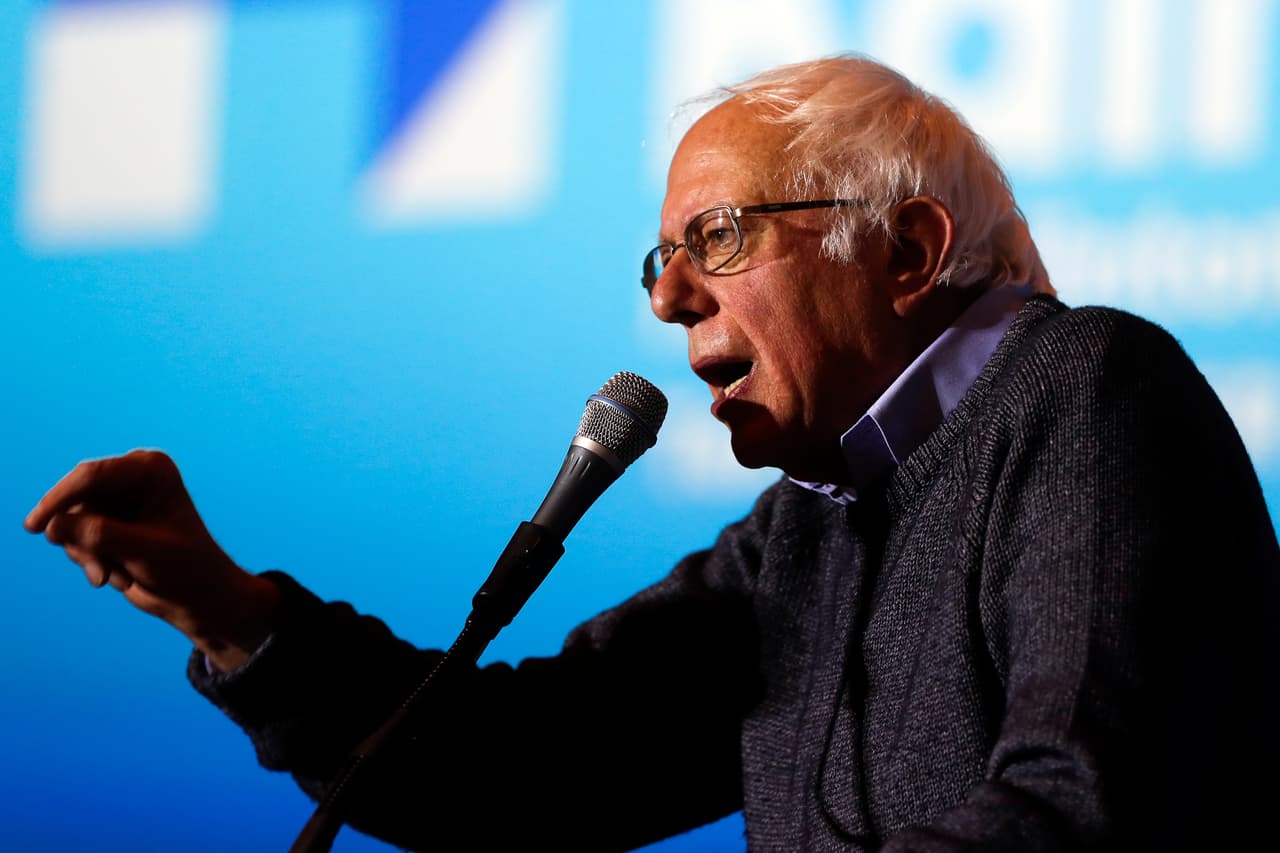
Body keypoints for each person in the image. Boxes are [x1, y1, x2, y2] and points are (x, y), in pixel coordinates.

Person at [24, 54, 1280, 852]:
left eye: (718, 236)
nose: (671, 297)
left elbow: (1083, 805)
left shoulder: (1087, 388)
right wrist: (230, 609)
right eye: (660, 257)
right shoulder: (804, 528)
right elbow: (524, 773)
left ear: (905, 251)